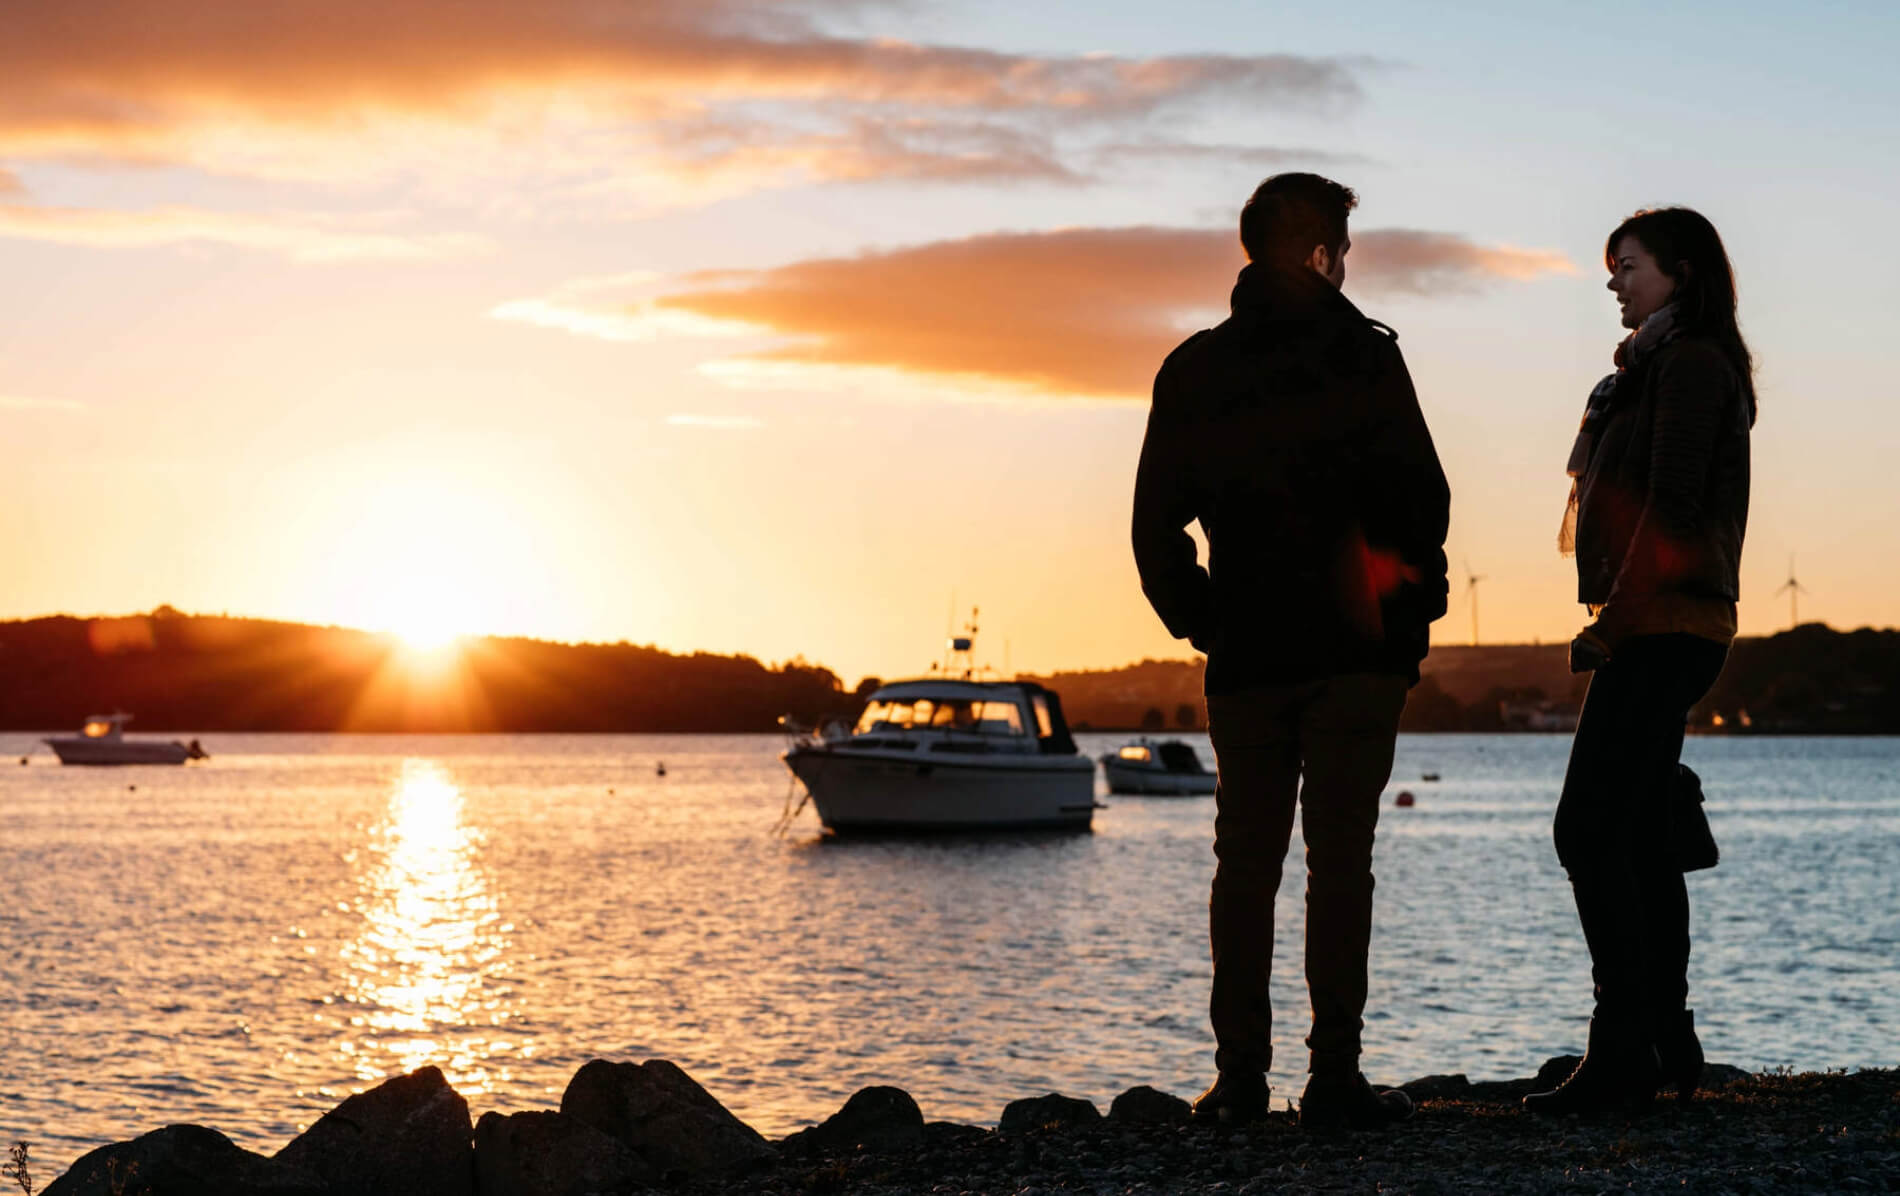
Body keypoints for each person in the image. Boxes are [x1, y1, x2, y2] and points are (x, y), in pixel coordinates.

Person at [1132, 173, 1450, 1130]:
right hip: (1356, 657)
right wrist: (1404, 628)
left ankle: (1238, 1084)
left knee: (1246, 869)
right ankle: (1335, 1079)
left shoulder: (1194, 368)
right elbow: (1423, 507)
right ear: (1320, 252)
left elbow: (1156, 529)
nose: (1347, 264)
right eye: (1343, 247)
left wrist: (1206, 619)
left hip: (1250, 656)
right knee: (1340, 862)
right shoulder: (1367, 359)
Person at [1525, 207, 1754, 1115]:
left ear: (1681, 273)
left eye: (1628, 265)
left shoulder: (1690, 365)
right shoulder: (1653, 369)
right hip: (1667, 621)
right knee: (1643, 831)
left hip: (1665, 623)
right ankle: (1665, 1041)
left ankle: (1624, 1049)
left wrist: (1615, 620)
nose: (1614, 280)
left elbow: (1671, 504)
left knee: (1585, 831)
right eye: (1610, 267)